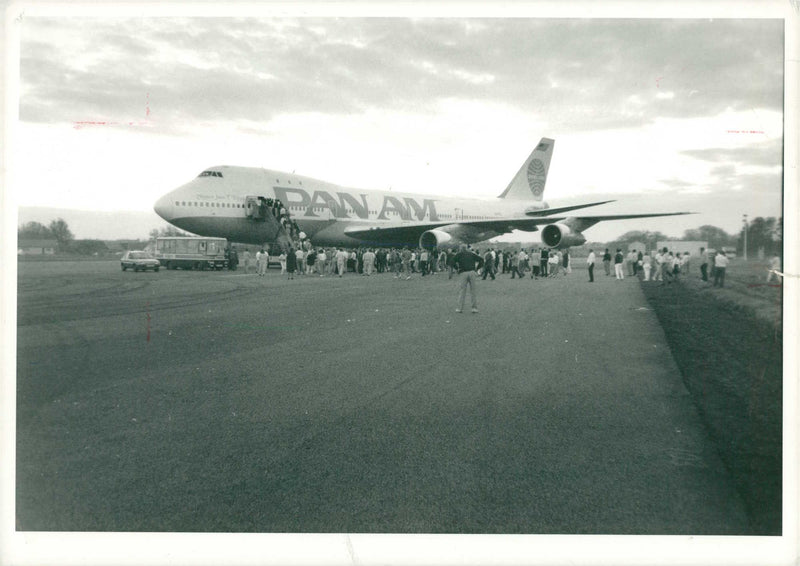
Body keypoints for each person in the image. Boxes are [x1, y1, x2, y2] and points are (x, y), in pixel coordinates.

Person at [453, 244, 483, 313]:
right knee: (473, 291)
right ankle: (474, 308)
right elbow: (481, 260)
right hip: (472, 272)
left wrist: (457, 268)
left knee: (462, 291)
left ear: (461, 249)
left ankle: (460, 308)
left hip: (463, 273)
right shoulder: (472, 254)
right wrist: (477, 268)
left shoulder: (459, 254)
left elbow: (452, 261)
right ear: (466, 248)